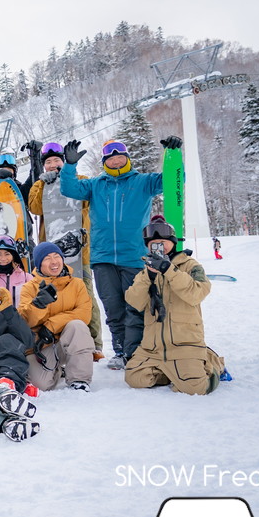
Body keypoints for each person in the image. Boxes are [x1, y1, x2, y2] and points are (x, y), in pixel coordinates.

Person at [59, 138, 172, 369]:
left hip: (134, 256)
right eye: (110, 157)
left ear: (127, 158)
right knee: (113, 308)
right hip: (102, 258)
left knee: (135, 306)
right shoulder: (96, 185)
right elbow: (68, 188)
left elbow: (171, 182)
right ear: (105, 161)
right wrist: (69, 166)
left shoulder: (143, 182)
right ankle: (120, 351)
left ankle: (135, 351)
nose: (116, 159)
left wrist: (171, 154)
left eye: (120, 156)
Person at [124, 219, 223, 395]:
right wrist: (149, 275)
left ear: (173, 242)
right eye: (153, 244)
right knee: (134, 379)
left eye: (163, 243)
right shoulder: (145, 271)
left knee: (196, 389)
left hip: (185, 343)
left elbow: (197, 293)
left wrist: (169, 270)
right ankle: (172, 371)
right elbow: (134, 301)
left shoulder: (190, 265)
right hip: (152, 348)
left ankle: (213, 361)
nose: (159, 247)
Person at [27, 141, 105, 361]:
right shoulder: (39, 185)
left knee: (85, 296)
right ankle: (58, 341)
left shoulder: (81, 181)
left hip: (81, 253)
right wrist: (43, 185)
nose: (53, 165)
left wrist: (66, 180)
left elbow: (87, 204)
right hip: (50, 255)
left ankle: (93, 343)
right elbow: (35, 208)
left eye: (56, 161)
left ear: (64, 161)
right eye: (49, 162)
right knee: (54, 299)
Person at [18, 242, 95, 392]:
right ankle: (58, 370)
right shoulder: (29, 287)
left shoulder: (77, 284)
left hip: (69, 342)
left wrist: (52, 325)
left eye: (57, 256)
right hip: (42, 345)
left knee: (77, 326)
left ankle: (79, 379)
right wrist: (38, 305)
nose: (54, 262)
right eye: (47, 258)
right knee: (42, 385)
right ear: (39, 264)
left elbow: (84, 314)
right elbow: (25, 321)